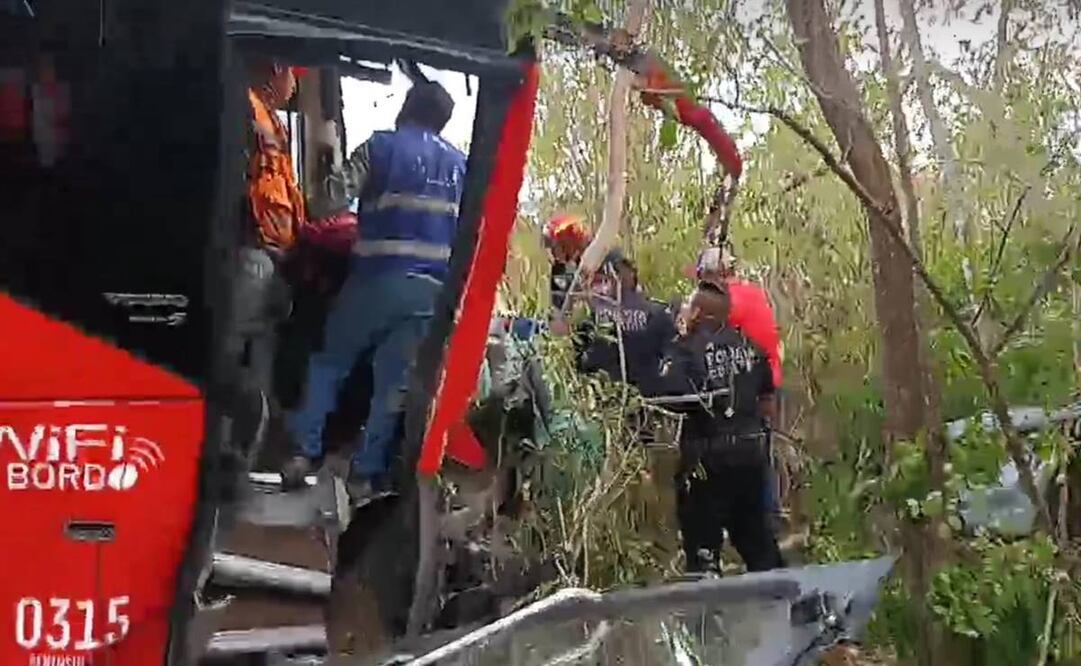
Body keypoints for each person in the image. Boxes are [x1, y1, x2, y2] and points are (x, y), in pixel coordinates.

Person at [281, 81, 466, 498]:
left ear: (406, 108)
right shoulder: (461, 165)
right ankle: (365, 475)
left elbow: (329, 201)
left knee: (331, 362)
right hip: (430, 293)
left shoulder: (381, 147)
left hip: (376, 280)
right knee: (393, 384)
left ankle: (301, 453)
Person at [658, 281, 783, 573]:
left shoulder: (685, 350)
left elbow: (670, 397)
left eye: (689, 306)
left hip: (706, 463)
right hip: (751, 457)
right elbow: (767, 400)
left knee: (703, 552)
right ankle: (782, 607)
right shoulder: (750, 347)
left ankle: (706, 614)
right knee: (759, 544)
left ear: (699, 312)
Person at [225, 59, 307, 463]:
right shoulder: (245, 107)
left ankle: (242, 460)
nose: (295, 84)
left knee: (259, 363)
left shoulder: (272, 120)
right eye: (294, 74)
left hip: (274, 260)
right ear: (276, 69)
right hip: (252, 254)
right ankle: (220, 452)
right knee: (229, 354)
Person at [577, 250, 676, 397]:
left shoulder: (657, 313)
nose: (616, 277)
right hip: (607, 399)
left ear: (632, 272)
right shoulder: (593, 318)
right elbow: (581, 359)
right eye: (608, 273)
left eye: (618, 270)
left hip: (648, 397)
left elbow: (672, 349)